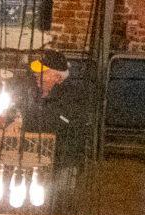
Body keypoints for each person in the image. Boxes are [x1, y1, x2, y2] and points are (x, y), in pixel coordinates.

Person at [25, 50, 97, 190]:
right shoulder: (37, 91)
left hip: (62, 162)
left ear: (58, 78)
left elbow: (52, 125)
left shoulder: (73, 98)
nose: (36, 75)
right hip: (37, 156)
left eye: (43, 73)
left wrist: (24, 121)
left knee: (57, 200)